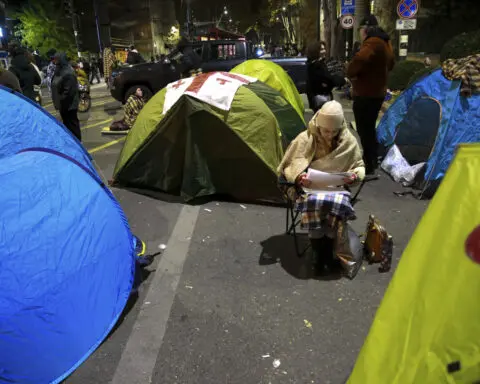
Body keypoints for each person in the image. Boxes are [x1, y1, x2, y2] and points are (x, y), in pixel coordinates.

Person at [278, 101, 365, 274]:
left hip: (337, 188)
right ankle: (318, 254)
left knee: (337, 205)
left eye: (334, 131)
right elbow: (289, 165)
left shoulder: (348, 141)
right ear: (318, 125)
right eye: (326, 131)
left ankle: (326, 252)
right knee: (315, 202)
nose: (329, 135)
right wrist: (299, 176)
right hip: (308, 189)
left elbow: (359, 165)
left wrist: (355, 175)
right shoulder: (305, 138)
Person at [347, 15, 395, 176]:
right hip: (377, 92)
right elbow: (391, 63)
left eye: (361, 30)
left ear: (366, 30)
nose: (360, 33)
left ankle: (369, 162)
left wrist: (350, 70)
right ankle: (372, 158)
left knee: (364, 128)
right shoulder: (385, 43)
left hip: (366, 93)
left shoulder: (372, 43)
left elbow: (357, 62)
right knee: (369, 127)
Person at [306, 41, 347, 113]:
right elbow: (329, 79)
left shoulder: (316, 63)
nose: (324, 51)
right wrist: (343, 80)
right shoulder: (316, 65)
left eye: (324, 49)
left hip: (318, 99)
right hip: (321, 100)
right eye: (321, 49)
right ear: (315, 51)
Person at [51, 53, 81, 141]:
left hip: (69, 105)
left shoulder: (67, 72)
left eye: (56, 60)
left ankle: (77, 144)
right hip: (63, 105)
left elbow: (69, 92)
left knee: (72, 125)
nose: (54, 62)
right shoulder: (59, 71)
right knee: (68, 126)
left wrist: (61, 101)